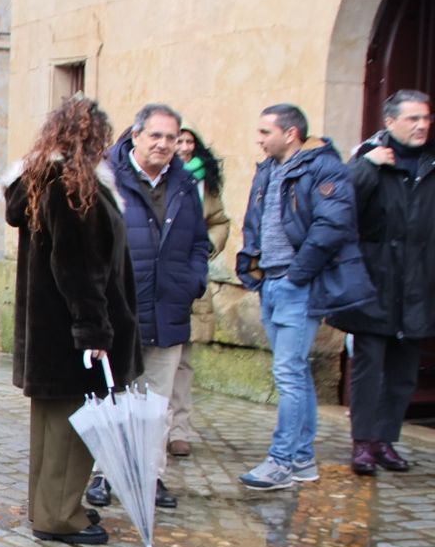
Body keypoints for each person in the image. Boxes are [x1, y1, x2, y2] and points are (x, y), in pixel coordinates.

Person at [4, 96, 143, 546]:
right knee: (71, 427)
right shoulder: (71, 185)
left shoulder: (43, 180)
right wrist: (93, 331)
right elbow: (78, 268)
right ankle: (58, 517)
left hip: (49, 332)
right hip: (68, 334)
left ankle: (51, 506)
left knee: (52, 427)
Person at [234, 103, 377, 491]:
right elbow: (254, 221)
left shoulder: (324, 167)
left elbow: (333, 225)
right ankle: (301, 459)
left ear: (290, 133)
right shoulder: (267, 168)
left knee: (289, 372)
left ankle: (281, 461)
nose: (259, 139)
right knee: (294, 372)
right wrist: (253, 268)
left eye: (266, 132)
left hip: (298, 284)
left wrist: (298, 274)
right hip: (272, 283)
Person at [84, 105, 207, 513]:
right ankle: (105, 472)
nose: (164, 144)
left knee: (157, 402)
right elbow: (93, 245)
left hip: (169, 307)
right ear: (134, 136)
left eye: (171, 138)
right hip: (121, 311)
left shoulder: (186, 185)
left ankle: (150, 475)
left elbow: (198, 243)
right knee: (114, 396)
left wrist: (194, 281)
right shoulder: (108, 179)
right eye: (155, 135)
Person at [329, 90, 434, 476]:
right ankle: (363, 443)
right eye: (413, 119)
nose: (422, 125)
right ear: (390, 122)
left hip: (418, 285)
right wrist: (366, 166)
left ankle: (386, 441)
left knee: (405, 371)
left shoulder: (430, 162)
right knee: (369, 368)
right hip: (374, 284)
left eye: (426, 118)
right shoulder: (368, 161)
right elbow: (340, 203)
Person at [168, 126, 231, 457]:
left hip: (189, 281)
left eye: (187, 140)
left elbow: (220, 221)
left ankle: (180, 428)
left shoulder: (204, 184)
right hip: (156, 282)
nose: (180, 146)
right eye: (176, 139)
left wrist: (207, 246)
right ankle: (153, 427)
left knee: (183, 361)